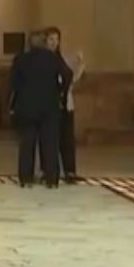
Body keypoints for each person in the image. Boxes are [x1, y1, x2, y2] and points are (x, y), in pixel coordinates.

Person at [10, 30, 66, 188]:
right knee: (50, 144)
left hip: (27, 107)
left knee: (27, 144)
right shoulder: (52, 58)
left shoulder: (20, 59)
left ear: (29, 43)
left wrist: (14, 104)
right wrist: (59, 92)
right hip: (49, 107)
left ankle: (25, 178)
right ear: (44, 43)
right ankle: (51, 179)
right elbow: (66, 76)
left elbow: (14, 83)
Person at [45, 27, 83, 181]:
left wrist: (80, 66)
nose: (54, 42)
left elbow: (71, 79)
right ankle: (49, 171)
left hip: (66, 104)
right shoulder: (44, 60)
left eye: (56, 39)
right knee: (50, 139)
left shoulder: (61, 60)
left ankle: (70, 171)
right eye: (51, 39)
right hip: (51, 105)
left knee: (67, 138)